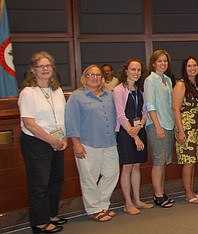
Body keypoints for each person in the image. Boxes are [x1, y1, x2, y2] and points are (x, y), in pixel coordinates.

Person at [18, 52, 68, 233]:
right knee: (39, 183)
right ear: (33, 70)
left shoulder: (57, 90)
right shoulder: (28, 93)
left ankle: (51, 214)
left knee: (56, 179)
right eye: (41, 66)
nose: (46, 69)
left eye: (48, 66)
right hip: (36, 143)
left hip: (58, 141)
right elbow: (29, 123)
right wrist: (52, 140)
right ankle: (39, 222)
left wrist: (63, 138)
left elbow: (63, 117)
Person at [66, 65, 119, 222]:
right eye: (91, 74)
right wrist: (76, 143)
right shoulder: (77, 97)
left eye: (98, 75)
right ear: (84, 78)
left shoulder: (109, 94)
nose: (95, 77)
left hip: (109, 142)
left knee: (112, 174)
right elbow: (71, 121)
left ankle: (103, 204)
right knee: (89, 177)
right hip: (88, 143)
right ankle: (93, 209)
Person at [113, 59, 153, 215]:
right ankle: (127, 203)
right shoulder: (119, 90)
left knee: (137, 166)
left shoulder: (140, 89)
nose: (136, 73)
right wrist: (134, 135)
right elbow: (120, 115)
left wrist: (140, 127)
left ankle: (137, 200)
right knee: (128, 167)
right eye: (133, 69)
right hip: (126, 132)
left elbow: (144, 112)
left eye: (138, 70)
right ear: (126, 71)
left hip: (139, 129)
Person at [144, 50, 176, 208]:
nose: (163, 64)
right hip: (157, 125)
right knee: (158, 161)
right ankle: (157, 195)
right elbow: (150, 104)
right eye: (160, 61)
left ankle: (162, 192)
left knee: (164, 161)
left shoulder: (168, 80)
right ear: (153, 63)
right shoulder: (150, 80)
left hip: (169, 124)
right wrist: (157, 126)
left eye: (165, 61)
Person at [172, 56, 198, 204]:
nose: (192, 68)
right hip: (186, 127)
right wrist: (180, 130)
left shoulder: (196, 84)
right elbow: (175, 109)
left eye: (194, 65)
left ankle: (191, 190)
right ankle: (188, 193)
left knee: (193, 161)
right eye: (189, 66)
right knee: (188, 161)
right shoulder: (181, 85)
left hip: (197, 128)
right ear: (184, 69)